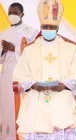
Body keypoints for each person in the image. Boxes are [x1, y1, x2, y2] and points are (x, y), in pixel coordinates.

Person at [12, 0, 76, 139]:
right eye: (45, 27)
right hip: (36, 94)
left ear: (57, 29)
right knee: (33, 105)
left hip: (63, 93)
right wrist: (33, 84)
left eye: (51, 27)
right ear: (40, 27)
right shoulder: (29, 50)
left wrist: (64, 85)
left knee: (65, 104)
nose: (48, 30)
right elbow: (19, 76)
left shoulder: (70, 49)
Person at [0, 2, 38, 140]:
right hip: (6, 76)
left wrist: (14, 48)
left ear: (22, 14)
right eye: (10, 13)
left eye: (15, 13)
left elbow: (34, 53)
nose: (11, 16)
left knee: (23, 106)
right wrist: (3, 51)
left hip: (24, 74)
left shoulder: (31, 32)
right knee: (7, 108)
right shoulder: (3, 33)